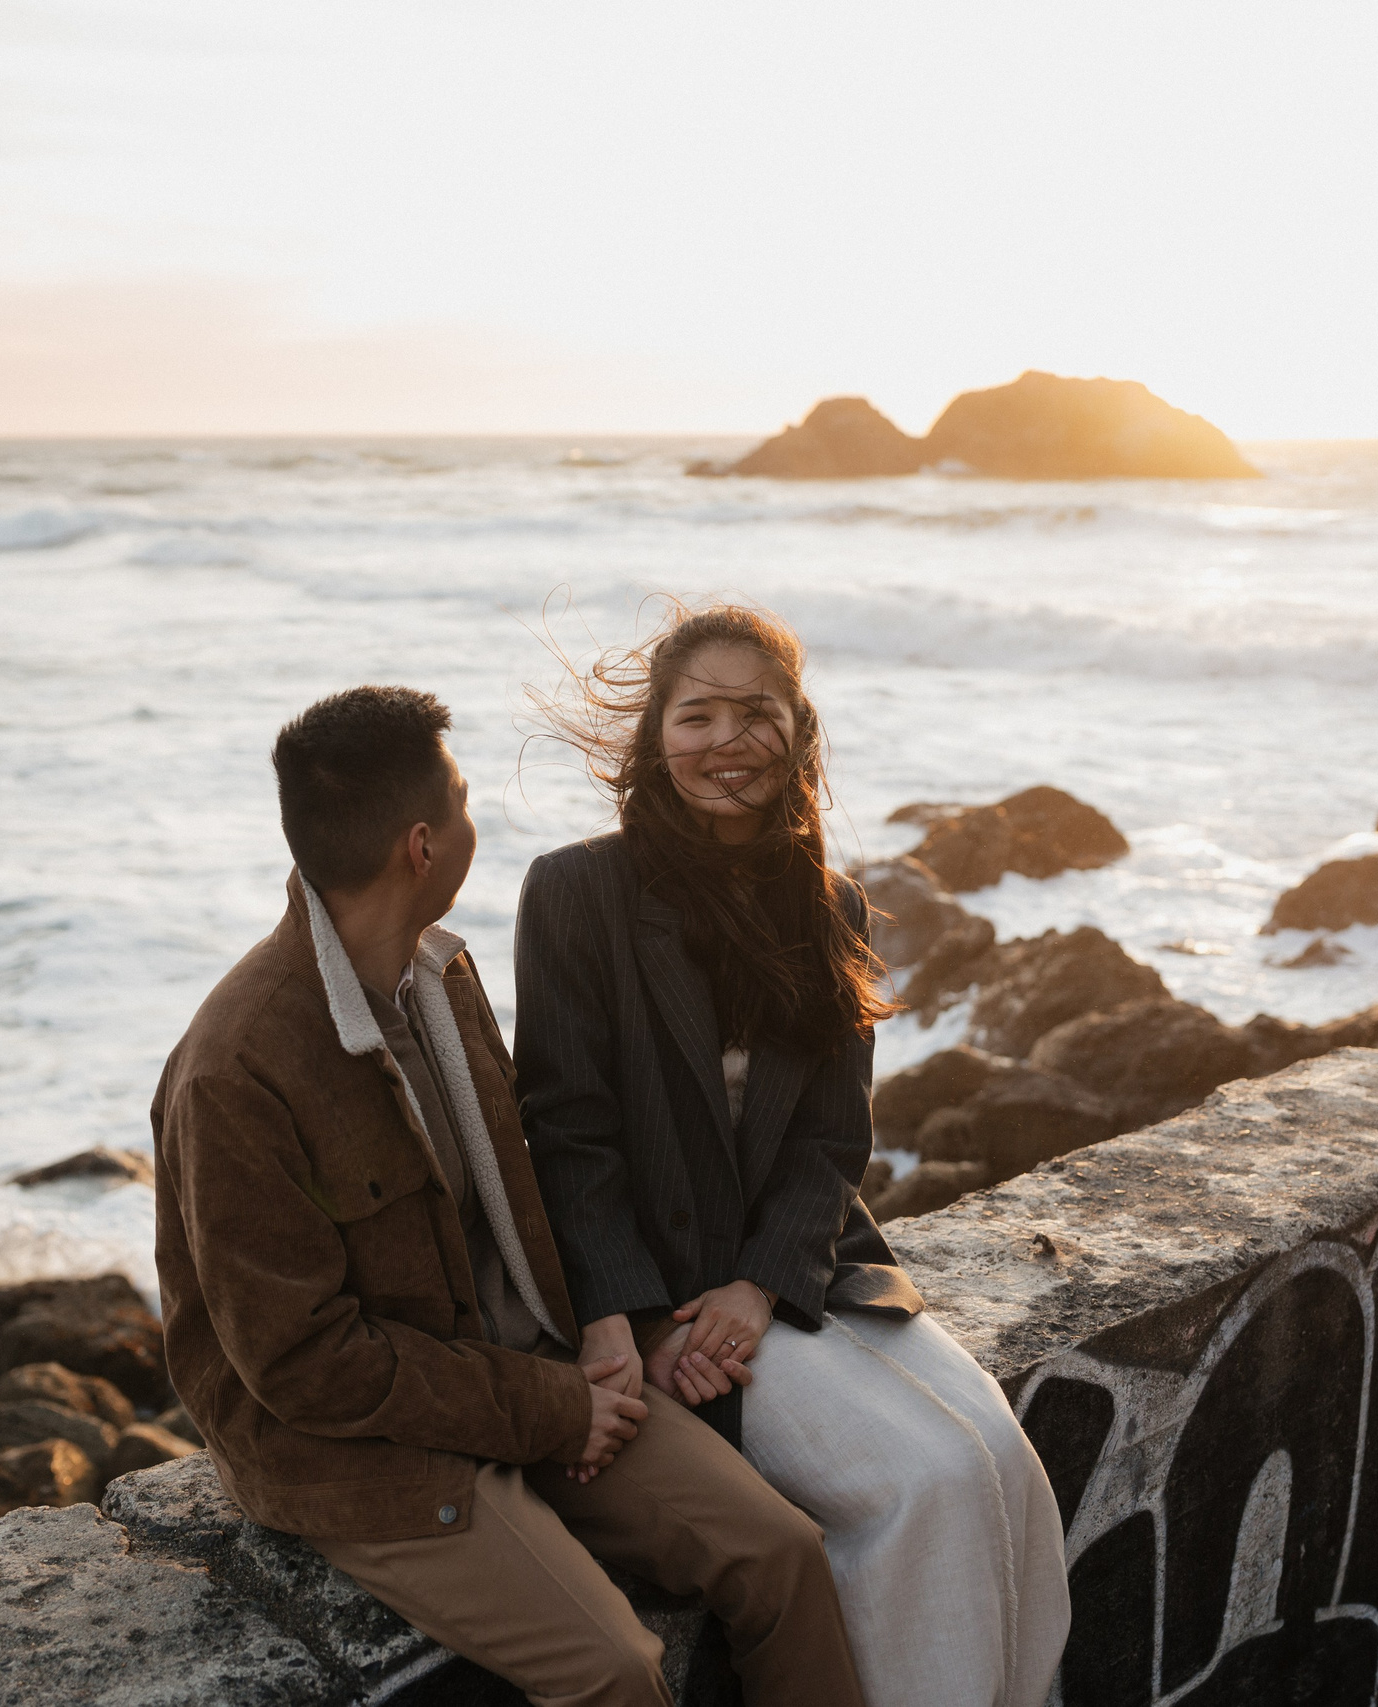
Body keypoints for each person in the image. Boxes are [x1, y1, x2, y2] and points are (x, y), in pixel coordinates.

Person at [150, 685, 866, 1707]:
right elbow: (304, 1368)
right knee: (616, 1669)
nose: (474, 824)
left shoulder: (438, 976)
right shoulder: (238, 1069)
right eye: (465, 802)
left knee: (785, 1555)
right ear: (421, 848)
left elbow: (525, 1196)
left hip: (527, 1374)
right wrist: (548, 1411)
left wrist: (615, 1325)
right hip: (366, 1457)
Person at [513, 607, 1071, 1707]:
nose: (729, 740)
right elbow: (565, 1131)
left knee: (1006, 1468)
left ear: (797, 732)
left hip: (797, 1272)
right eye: (698, 715)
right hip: (666, 1290)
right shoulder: (577, 893)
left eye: (755, 713)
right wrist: (625, 1318)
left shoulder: (831, 906)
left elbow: (830, 1138)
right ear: (654, 739)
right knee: (921, 1486)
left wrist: (762, 1283)